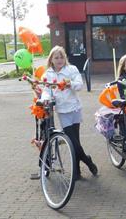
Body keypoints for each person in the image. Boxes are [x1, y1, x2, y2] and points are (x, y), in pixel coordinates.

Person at [41, 45, 98, 179]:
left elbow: (79, 85)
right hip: (62, 110)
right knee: (72, 140)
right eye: (56, 57)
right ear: (51, 59)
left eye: (61, 57)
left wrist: (69, 84)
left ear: (65, 58)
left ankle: (77, 172)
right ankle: (87, 160)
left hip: (75, 108)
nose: (59, 60)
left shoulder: (71, 69)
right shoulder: (48, 74)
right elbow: (46, 90)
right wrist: (45, 99)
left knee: (75, 140)